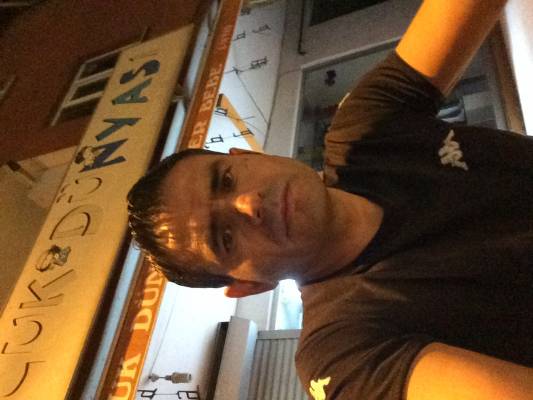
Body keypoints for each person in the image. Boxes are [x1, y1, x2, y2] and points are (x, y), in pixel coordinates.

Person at [127, 0, 533, 398]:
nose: (248, 205)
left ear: (248, 155)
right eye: (225, 238)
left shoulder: (365, 129)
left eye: (227, 179)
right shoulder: (340, 352)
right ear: (247, 286)